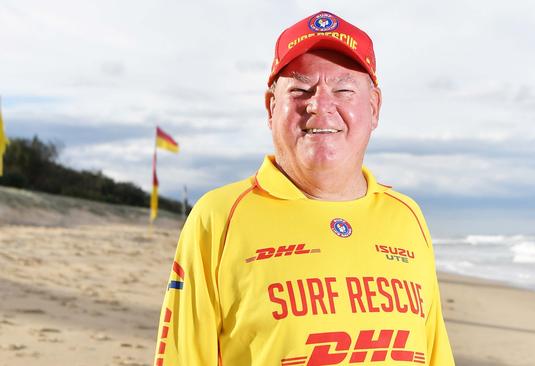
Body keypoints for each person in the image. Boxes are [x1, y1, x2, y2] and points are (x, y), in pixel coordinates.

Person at [153, 10, 454, 366]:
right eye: (300, 89)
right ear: (271, 106)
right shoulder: (219, 217)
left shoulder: (407, 217)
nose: (320, 105)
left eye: (343, 89)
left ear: (373, 107)